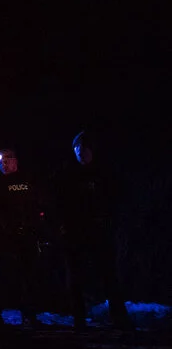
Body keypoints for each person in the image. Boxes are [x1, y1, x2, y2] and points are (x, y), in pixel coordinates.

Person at [55, 131, 130, 331]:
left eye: (84, 150)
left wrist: (108, 222)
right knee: (75, 277)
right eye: (77, 150)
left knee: (108, 274)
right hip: (74, 232)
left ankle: (119, 317)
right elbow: (58, 203)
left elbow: (114, 199)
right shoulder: (67, 174)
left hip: (99, 231)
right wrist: (63, 226)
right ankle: (79, 318)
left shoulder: (103, 173)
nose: (81, 154)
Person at [0, 148, 44, 329]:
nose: (4, 163)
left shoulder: (27, 180)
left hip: (26, 236)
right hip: (2, 238)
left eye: (7, 160)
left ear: (16, 160)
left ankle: (29, 315)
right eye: (0, 161)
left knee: (28, 278)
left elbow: (37, 204)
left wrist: (36, 226)